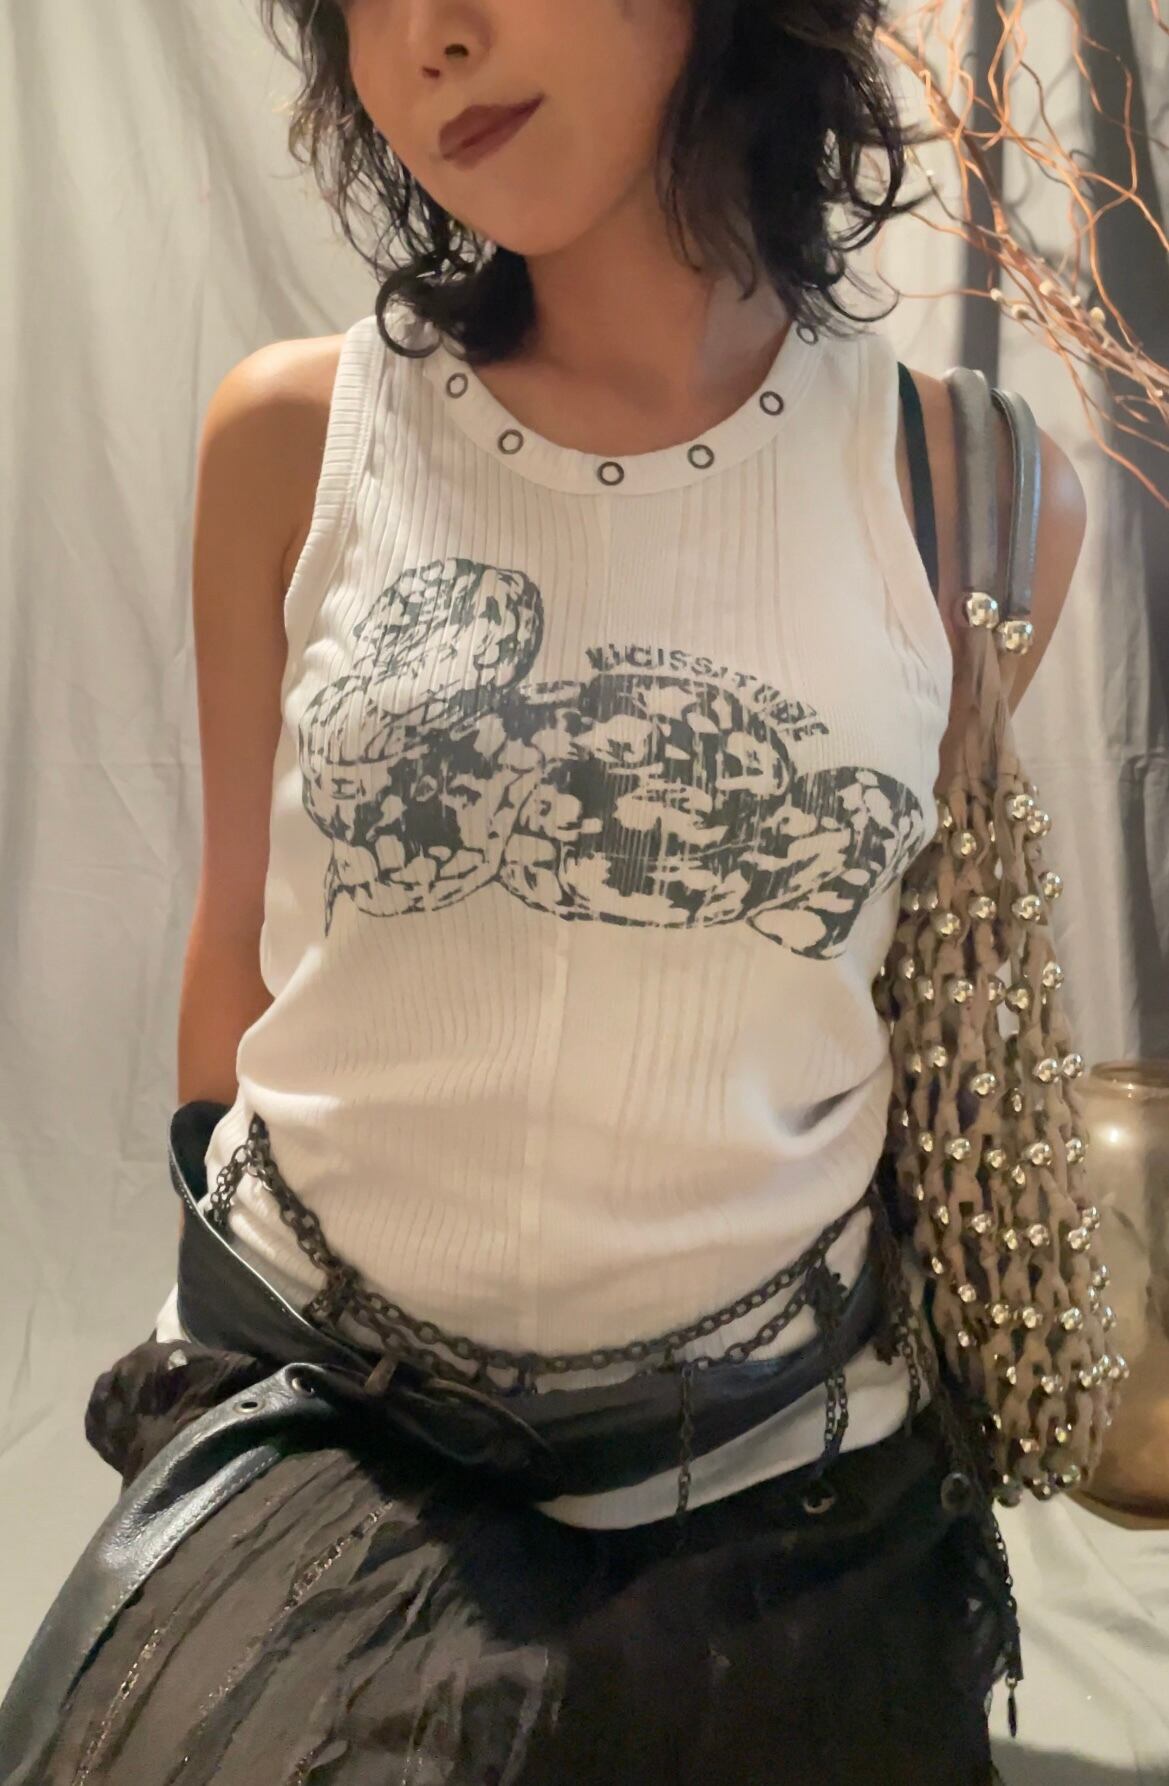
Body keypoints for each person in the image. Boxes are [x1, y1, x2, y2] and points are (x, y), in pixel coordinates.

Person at [3, 2, 1094, 1781]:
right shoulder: (297, 435)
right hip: (330, 1415)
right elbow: (236, 942)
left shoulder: (975, 494)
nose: (424, 39)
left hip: (782, 1466)